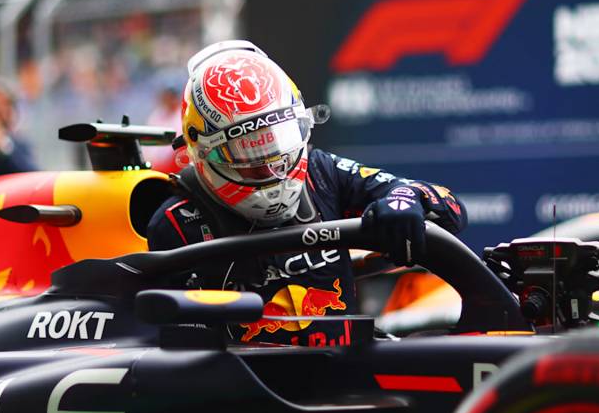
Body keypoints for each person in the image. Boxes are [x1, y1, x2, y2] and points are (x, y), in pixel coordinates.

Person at [146, 41, 466, 346]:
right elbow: (182, 354)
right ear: (200, 150)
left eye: (278, 145)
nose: (272, 167)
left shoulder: (320, 171)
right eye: (249, 154)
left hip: (348, 376)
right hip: (251, 391)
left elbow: (450, 209)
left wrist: (405, 201)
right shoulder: (177, 224)